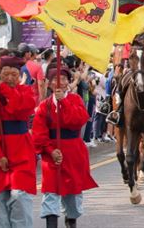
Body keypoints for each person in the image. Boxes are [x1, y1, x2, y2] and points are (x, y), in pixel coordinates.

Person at [33, 66, 98, 228]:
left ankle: (71, 222)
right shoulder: (44, 106)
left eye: (62, 79)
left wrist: (64, 102)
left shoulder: (76, 100)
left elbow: (78, 120)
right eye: (55, 79)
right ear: (48, 83)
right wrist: (50, 150)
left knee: (73, 195)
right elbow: (39, 134)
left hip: (73, 153)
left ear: (69, 82)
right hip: (52, 155)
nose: (58, 83)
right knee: (50, 193)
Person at [0, 55, 37, 228]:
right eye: (5, 74)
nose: (9, 78)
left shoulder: (26, 92)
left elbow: (20, 110)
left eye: (14, 74)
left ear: (20, 75)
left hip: (21, 150)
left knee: (20, 198)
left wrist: (4, 90)